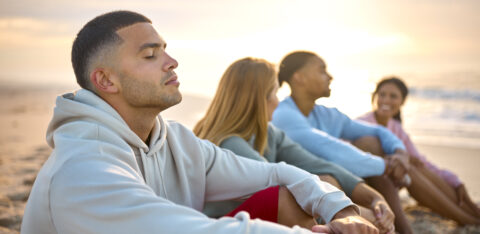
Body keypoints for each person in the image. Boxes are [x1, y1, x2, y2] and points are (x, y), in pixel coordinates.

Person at [20, 11, 379, 234]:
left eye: (165, 49)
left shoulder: (177, 142)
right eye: (150, 54)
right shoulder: (83, 168)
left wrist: (342, 211)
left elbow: (279, 172)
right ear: (106, 81)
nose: (172, 61)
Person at [194, 57, 396, 233]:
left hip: (261, 221)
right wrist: (356, 215)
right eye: (275, 92)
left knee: (325, 179)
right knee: (290, 195)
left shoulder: (269, 134)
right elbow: (281, 185)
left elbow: (320, 165)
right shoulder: (230, 142)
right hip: (226, 225)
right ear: (258, 100)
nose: (278, 101)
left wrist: (376, 199)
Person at [271, 51, 413, 234]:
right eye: (322, 70)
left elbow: (376, 130)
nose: (330, 76)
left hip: (339, 182)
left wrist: (400, 152)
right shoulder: (284, 115)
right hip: (313, 193)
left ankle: (461, 210)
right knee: (373, 151)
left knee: (372, 142)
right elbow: (330, 150)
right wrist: (387, 166)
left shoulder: (326, 114)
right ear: (299, 78)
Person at [357, 76, 480, 225]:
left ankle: (471, 211)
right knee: (409, 167)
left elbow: (423, 163)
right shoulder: (362, 123)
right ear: (375, 97)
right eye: (382, 95)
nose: (386, 100)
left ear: (402, 102)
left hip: (390, 181)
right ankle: (466, 219)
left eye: (393, 96)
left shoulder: (395, 126)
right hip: (366, 183)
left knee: (417, 165)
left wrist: (456, 182)